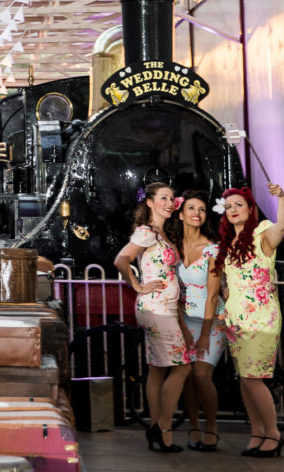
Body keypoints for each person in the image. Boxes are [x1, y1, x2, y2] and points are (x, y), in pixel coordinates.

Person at [211, 184, 284, 458]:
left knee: (254, 378)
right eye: (228, 206)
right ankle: (257, 432)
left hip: (261, 318)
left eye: (238, 205)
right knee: (244, 379)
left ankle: (273, 434)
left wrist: (281, 198)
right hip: (235, 319)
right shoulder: (228, 243)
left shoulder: (261, 233)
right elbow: (226, 280)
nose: (233, 210)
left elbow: (281, 228)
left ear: (250, 209)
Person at [113, 182, 189, 453]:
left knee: (158, 369)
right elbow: (122, 260)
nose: (169, 203)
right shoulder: (146, 232)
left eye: (172, 197)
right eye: (164, 198)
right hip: (156, 309)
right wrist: (137, 285)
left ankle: (157, 430)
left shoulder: (162, 232)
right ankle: (162, 427)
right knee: (182, 367)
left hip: (165, 308)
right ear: (150, 202)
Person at [167, 189, 223, 453]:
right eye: (191, 208)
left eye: (201, 209)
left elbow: (213, 295)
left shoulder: (213, 249)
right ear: (180, 213)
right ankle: (193, 427)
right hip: (183, 321)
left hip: (211, 321)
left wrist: (203, 334)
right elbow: (173, 294)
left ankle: (211, 426)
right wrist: (182, 328)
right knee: (187, 376)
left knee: (201, 374)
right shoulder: (172, 249)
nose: (197, 214)